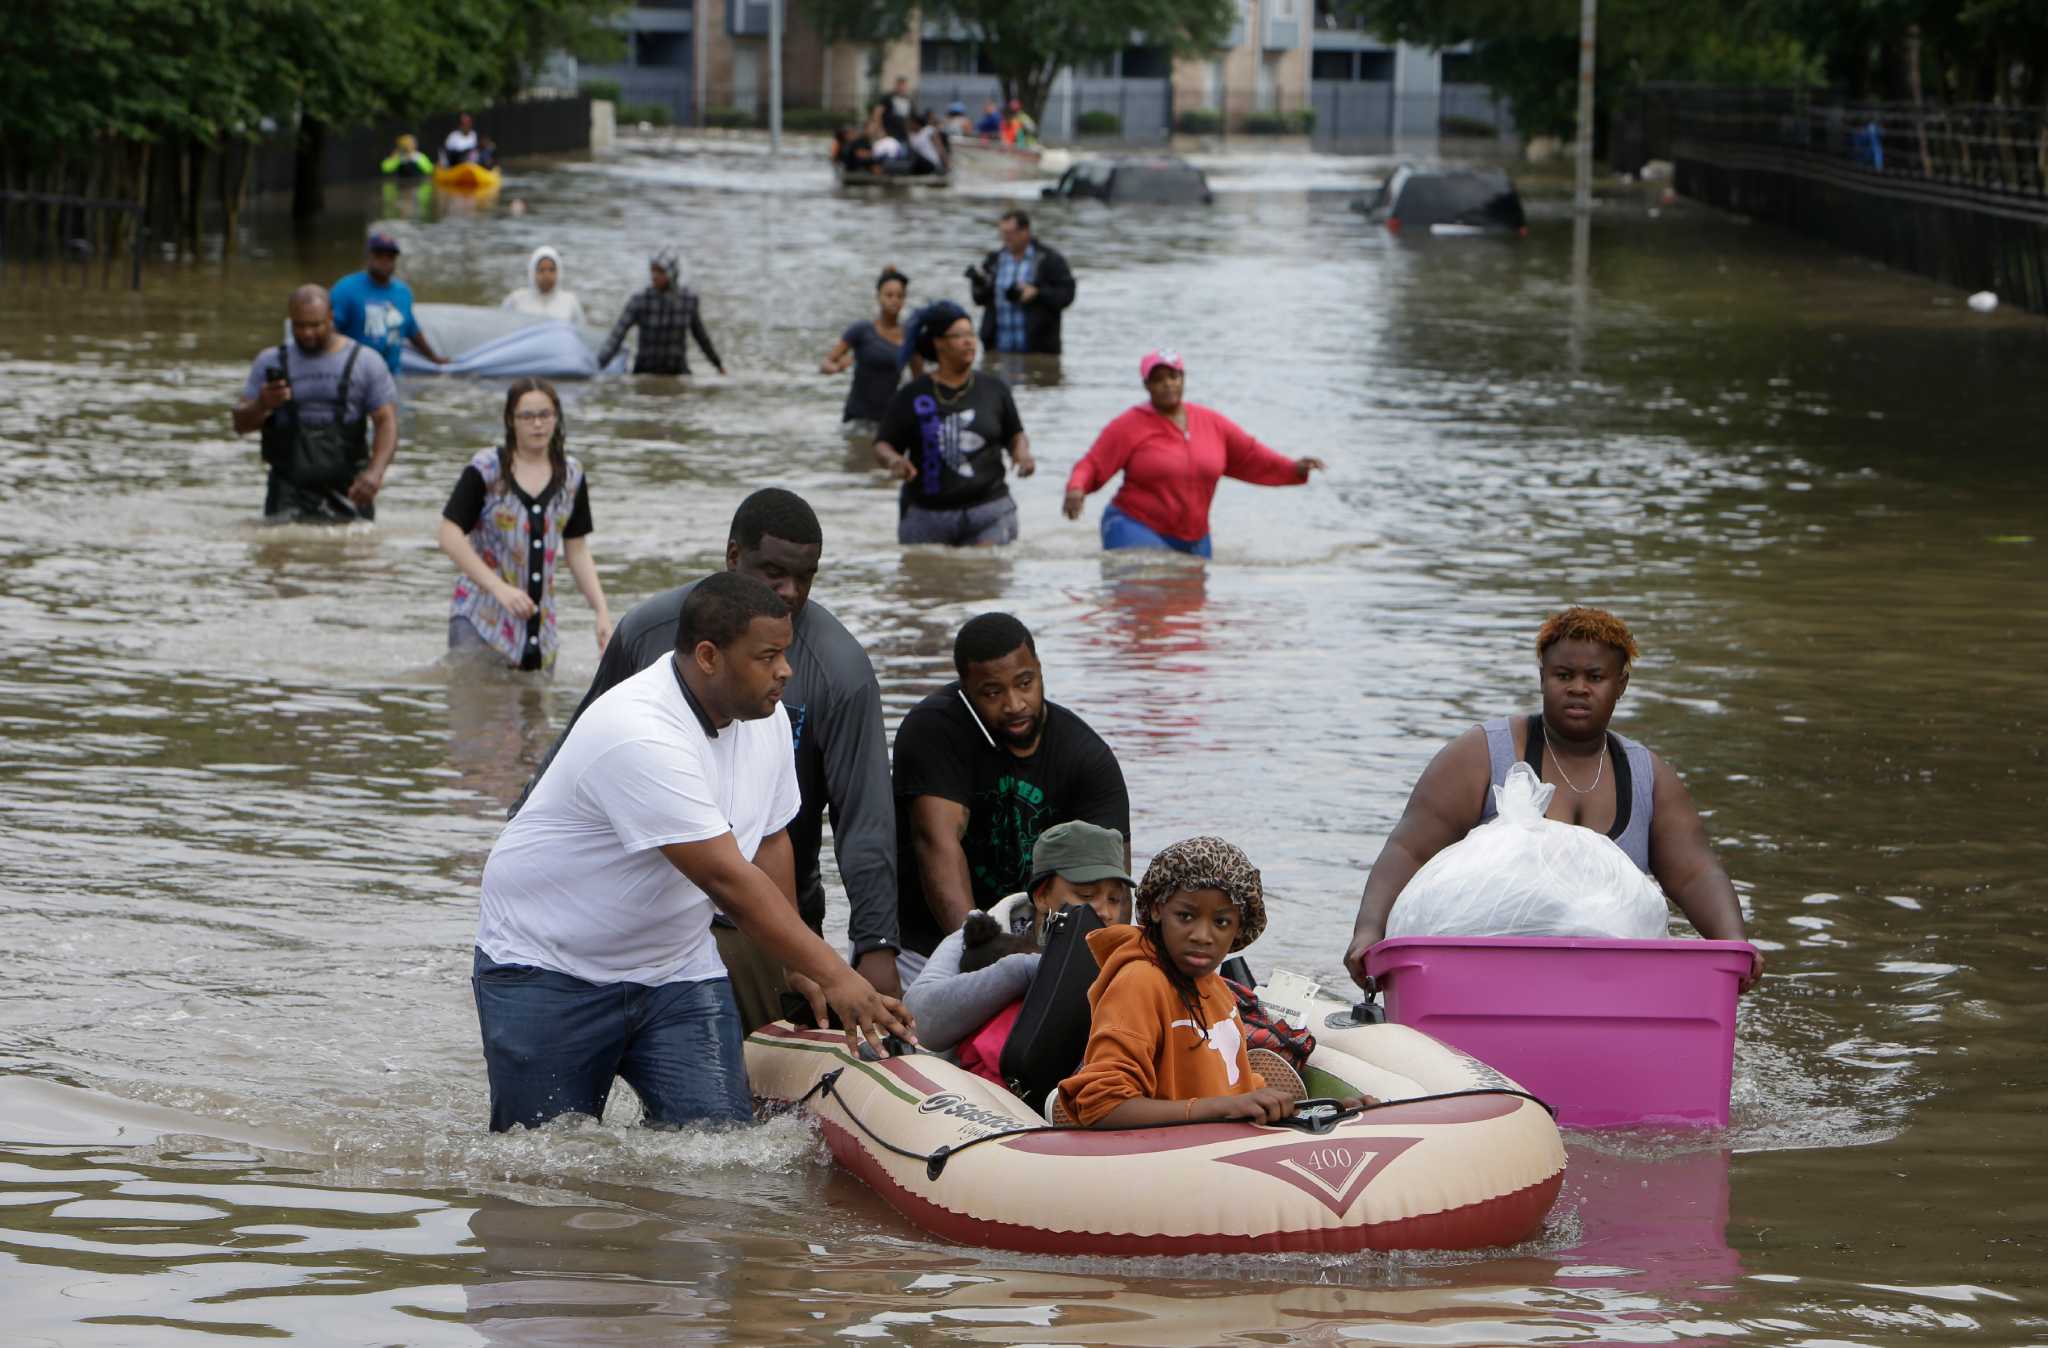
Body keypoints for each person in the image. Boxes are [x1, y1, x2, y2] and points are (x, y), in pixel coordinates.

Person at [472, 573, 915, 1133]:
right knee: (544, 1172)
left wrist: (794, 962)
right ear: (708, 656)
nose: (786, 671)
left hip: (675, 971)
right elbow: (728, 881)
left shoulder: (768, 719)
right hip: (550, 968)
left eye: (788, 652)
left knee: (717, 1157)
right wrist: (836, 975)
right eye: (768, 656)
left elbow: (772, 838)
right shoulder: (640, 732)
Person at [513, 489, 904, 1023]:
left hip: (764, 918)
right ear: (732, 557)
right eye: (772, 573)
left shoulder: (840, 671)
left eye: (806, 576)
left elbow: (865, 819)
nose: (790, 592)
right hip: (633, 917)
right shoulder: (646, 633)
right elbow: (574, 754)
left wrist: (876, 944)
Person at [1341, 607, 1764, 991]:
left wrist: (1734, 945)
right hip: (1484, 975)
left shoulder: (1647, 776)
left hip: (1608, 983)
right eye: (1564, 676)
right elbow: (1409, 848)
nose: (1578, 688)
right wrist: (1369, 931)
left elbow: (1694, 873)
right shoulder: (1481, 755)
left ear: (1621, 685)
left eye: (1594, 678)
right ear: (1542, 677)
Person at [891, 612, 1130, 982]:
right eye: (992, 692)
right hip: (929, 945)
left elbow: (1112, 887)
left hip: (1040, 942)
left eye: (1025, 682)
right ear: (965, 690)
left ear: (1039, 669)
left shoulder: (1085, 756)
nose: (1014, 703)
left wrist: (1100, 970)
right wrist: (978, 954)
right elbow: (937, 845)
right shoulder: (933, 732)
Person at [1058, 837, 1302, 1128]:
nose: (1202, 935)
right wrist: (1221, 1108)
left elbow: (1233, 1091)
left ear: (1239, 928)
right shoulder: (1139, 982)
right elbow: (1101, 1107)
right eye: (1186, 916)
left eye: (1221, 922)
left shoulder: (1217, 989)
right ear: (1158, 909)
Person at [903, 820, 1133, 1061]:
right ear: (1042, 895)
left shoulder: (1125, 964)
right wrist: (1025, 969)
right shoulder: (974, 936)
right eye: (1086, 895)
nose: (1105, 912)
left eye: (1115, 899)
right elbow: (917, 1023)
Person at [1062, 350, 1326, 557]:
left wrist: (1294, 469)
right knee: (1147, 600)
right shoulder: (1130, 425)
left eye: (1173, 376)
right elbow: (1093, 463)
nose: (1167, 384)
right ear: (1146, 385)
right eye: (1158, 379)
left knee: (1191, 615)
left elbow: (1251, 456)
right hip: (1134, 526)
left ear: (1183, 379)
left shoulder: (1211, 423)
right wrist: (1077, 488)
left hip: (1195, 538)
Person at [438, 378, 611, 671]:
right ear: (511, 420)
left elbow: (577, 549)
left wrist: (601, 610)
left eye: (545, 415)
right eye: (527, 416)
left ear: (556, 418)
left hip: (539, 629)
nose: (538, 424)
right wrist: (498, 588)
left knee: (535, 712)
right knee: (477, 708)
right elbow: (448, 534)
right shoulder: (486, 469)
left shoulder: (571, 476)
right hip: (480, 619)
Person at [231, 284, 399, 523]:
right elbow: (240, 425)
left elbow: (386, 421)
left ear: (331, 317)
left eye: (315, 325)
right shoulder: (270, 361)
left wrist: (375, 473)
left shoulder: (366, 362)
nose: (307, 333)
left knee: (357, 558)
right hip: (287, 491)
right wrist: (262, 404)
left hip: (351, 488)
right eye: (299, 325)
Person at [872, 302, 1035, 546]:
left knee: (982, 572)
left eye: (971, 334)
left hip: (989, 510)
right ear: (938, 343)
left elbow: (1015, 434)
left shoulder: (994, 389)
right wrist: (894, 461)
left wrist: (1022, 454)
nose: (969, 341)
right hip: (927, 515)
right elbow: (883, 444)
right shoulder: (912, 395)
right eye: (959, 335)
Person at [330, 232, 448, 378]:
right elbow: (331, 329)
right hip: (355, 373)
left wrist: (434, 358)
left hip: (391, 373)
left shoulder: (403, 293)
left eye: (390, 256)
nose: (385, 260)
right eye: (379, 254)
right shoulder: (346, 289)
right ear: (369, 256)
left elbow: (412, 330)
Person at [596, 250, 727, 378]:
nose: (654, 276)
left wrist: (718, 365)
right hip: (645, 372)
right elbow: (617, 335)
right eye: (653, 271)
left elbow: (701, 337)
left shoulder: (688, 301)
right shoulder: (640, 301)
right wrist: (598, 365)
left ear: (671, 274)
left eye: (660, 271)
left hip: (678, 372)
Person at [968, 210, 1076, 357]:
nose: (1005, 238)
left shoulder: (1050, 259)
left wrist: (1037, 293)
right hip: (996, 348)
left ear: (1025, 231)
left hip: (1038, 350)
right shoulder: (994, 260)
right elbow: (978, 299)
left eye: (1010, 233)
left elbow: (1067, 295)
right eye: (1003, 233)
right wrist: (979, 284)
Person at [819, 266, 908, 439]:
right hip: (856, 419)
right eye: (889, 295)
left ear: (905, 299)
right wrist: (837, 368)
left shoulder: (909, 336)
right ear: (878, 297)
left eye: (899, 296)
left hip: (887, 420)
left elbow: (919, 378)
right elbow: (825, 364)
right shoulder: (861, 330)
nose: (894, 300)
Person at [501, 245, 587, 325]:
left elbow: (580, 332)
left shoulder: (570, 301)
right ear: (532, 272)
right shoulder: (516, 299)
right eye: (541, 270)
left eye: (552, 270)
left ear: (559, 272)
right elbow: (503, 327)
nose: (547, 275)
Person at [907, 111, 949, 176]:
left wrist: (946, 164)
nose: (909, 125)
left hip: (931, 162)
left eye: (911, 123)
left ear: (916, 123)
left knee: (917, 158)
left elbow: (940, 147)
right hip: (920, 165)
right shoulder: (911, 136)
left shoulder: (928, 131)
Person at [883, 76, 914, 142]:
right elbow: (878, 113)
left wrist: (909, 132)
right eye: (900, 85)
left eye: (903, 86)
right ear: (896, 86)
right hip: (889, 132)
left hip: (903, 134)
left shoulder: (908, 100)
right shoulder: (888, 98)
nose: (902, 88)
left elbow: (909, 119)